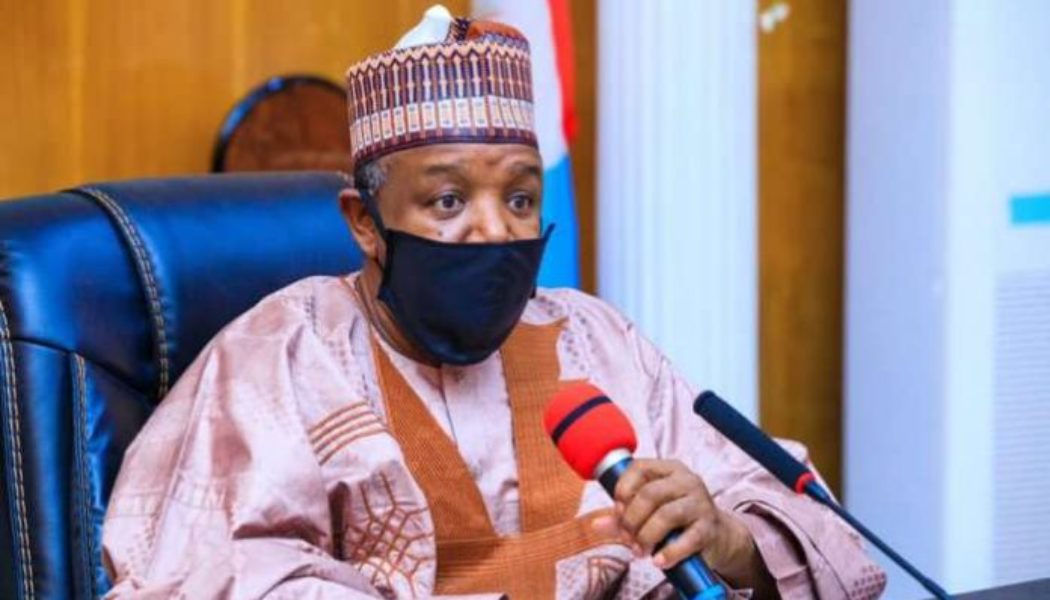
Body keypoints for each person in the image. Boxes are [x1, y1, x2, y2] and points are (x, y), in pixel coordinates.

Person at [102, 6, 887, 599]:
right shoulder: (284, 355)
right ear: (364, 222)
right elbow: (203, 571)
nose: (494, 231)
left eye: (519, 198)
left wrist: (727, 539)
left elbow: (813, 526)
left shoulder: (594, 339)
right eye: (448, 201)